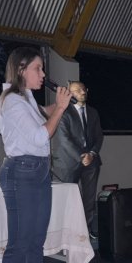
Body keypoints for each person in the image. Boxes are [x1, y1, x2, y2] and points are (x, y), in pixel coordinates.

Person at [0, 47, 72, 263]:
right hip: (22, 173)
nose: (43, 74)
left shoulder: (26, 98)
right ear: (21, 70)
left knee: (35, 243)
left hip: (38, 170)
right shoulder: (12, 101)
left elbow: (42, 114)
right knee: (19, 246)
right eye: (38, 69)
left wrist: (59, 103)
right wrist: (61, 109)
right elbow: (41, 135)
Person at [51, 81, 103, 239]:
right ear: (70, 94)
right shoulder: (63, 112)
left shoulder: (93, 112)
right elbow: (64, 139)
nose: (82, 92)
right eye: (77, 90)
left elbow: (99, 136)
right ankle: (65, 231)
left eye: (83, 89)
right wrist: (81, 156)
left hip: (91, 161)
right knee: (66, 198)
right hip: (68, 162)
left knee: (89, 198)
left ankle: (86, 230)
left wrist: (92, 154)